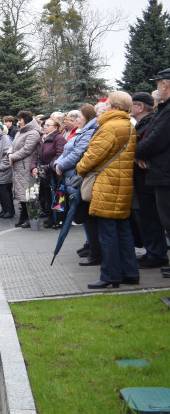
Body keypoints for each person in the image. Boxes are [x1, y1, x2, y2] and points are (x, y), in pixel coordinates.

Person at [77, 91, 138, 289]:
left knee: (107, 232)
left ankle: (110, 275)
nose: (105, 106)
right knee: (123, 230)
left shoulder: (110, 127)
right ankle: (130, 272)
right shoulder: (128, 125)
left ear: (115, 106)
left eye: (109, 103)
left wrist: (80, 168)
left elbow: (93, 155)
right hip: (123, 183)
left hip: (107, 184)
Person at [54, 104, 100, 263]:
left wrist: (61, 165)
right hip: (70, 176)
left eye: (79, 116)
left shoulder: (88, 133)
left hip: (77, 177)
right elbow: (66, 151)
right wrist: (57, 164)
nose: (76, 120)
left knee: (84, 213)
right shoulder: (82, 132)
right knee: (82, 214)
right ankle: (91, 244)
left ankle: (95, 249)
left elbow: (78, 154)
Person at [130, 91, 167, 270]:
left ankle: (156, 254)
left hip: (148, 179)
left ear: (140, 107)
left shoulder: (149, 123)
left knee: (151, 219)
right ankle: (152, 252)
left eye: (132, 104)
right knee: (146, 219)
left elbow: (149, 144)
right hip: (143, 178)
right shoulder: (143, 124)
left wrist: (136, 154)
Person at [31, 117, 66, 228]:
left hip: (54, 173)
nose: (44, 127)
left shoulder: (59, 138)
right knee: (47, 198)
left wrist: (47, 167)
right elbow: (36, 155)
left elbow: (59, 155)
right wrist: (33, 167)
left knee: (58, 198)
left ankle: (59, 221)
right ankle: (51, 219)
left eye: (48, 125)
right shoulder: (42, 139)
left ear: (55, 127)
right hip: (44, 173)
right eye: (44, 125)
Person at [9, 110, 41, 228]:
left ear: (26, 120)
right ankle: (23, 216)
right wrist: (9, 154)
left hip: (26, 166)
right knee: (21, 195)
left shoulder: (33, 133)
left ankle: (29, 217)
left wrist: (13, 156)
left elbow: (27, 149)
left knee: (27, 194)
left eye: (20, 119)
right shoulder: (20, 132)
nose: (18, 122)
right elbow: (13, 146)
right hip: (18, 167)